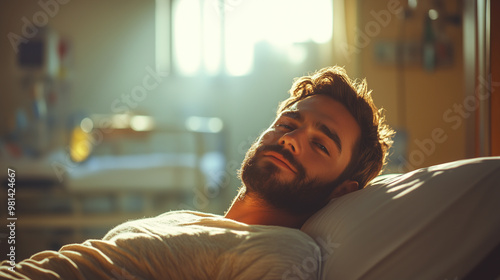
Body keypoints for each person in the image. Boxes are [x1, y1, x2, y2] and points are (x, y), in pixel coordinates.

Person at [0, 66, 393, 279]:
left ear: (343, 190)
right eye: (288, 124)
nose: (292, 140)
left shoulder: (285, 252)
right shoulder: (187, 219)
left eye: (321, 144)